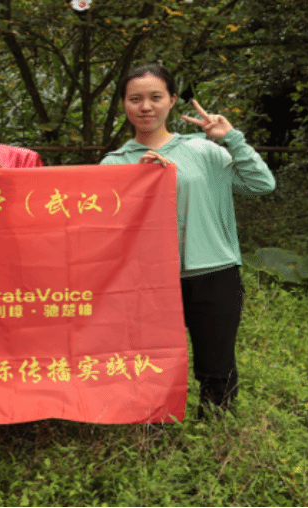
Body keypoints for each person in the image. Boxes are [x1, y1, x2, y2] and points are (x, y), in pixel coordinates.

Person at [101, 63, 275, 418]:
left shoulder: (204, 151)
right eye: (135, 99)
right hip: (147, 279)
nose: (145, 107)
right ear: (124, 105)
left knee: (217, 364)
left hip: (213, 271)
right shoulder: (113, 164)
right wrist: (139, 182)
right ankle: (152, 430)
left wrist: (231, 138)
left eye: (155, 97)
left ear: (172, 100)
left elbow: (261, 184)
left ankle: (216, 430)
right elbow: (105, 229)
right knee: (150, 362)